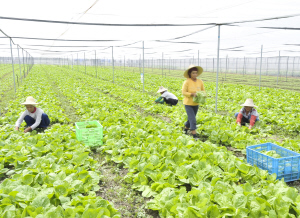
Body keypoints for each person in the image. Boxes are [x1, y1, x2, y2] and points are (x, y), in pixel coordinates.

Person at [182, 65, 205, 139]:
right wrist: (192, 94)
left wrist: (203, 95)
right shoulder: (187, 82)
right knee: (193, 119)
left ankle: (185, 129)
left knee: (191, 118)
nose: (195, 75)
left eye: (196, 73)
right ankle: (194, 135)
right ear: (189, 74)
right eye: (193, 73)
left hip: (196, 103)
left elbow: (203, 90)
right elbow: (184, 92)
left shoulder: (200, 81)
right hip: (188, 103)